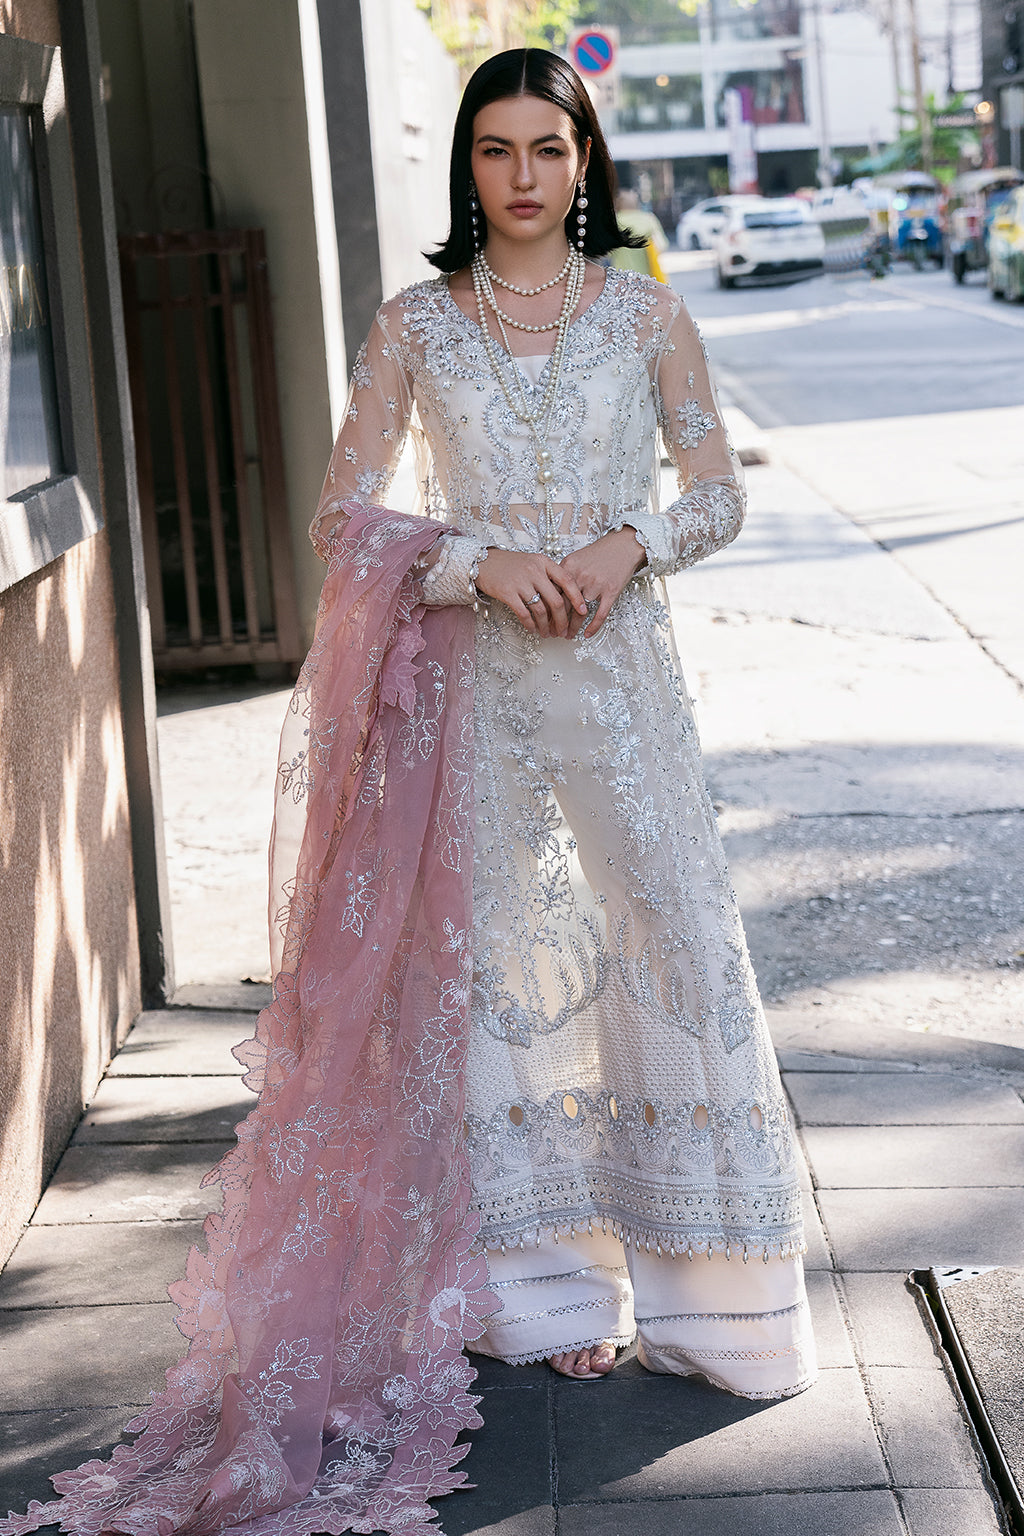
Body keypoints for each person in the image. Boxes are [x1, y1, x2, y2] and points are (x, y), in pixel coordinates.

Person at [0, 47, 815, 1536]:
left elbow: (716, 491)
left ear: (585, 162)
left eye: (549, 149)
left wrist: (626, 542)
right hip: (481, 694)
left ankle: (719, 1307)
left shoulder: (646, 314)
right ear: (468, 167)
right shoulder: (416, 325)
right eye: (497, 150)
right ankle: (540, 1294)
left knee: (674, 945)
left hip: (624, 689)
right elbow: (342, 511)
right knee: (499, 970)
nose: (524, 176)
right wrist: (473, 564)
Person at [608, 186, 670, 280]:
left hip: (622, 279)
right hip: (647, 279)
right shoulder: (649, 219)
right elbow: (662, 245)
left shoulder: (614, 222)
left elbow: (607, 253)